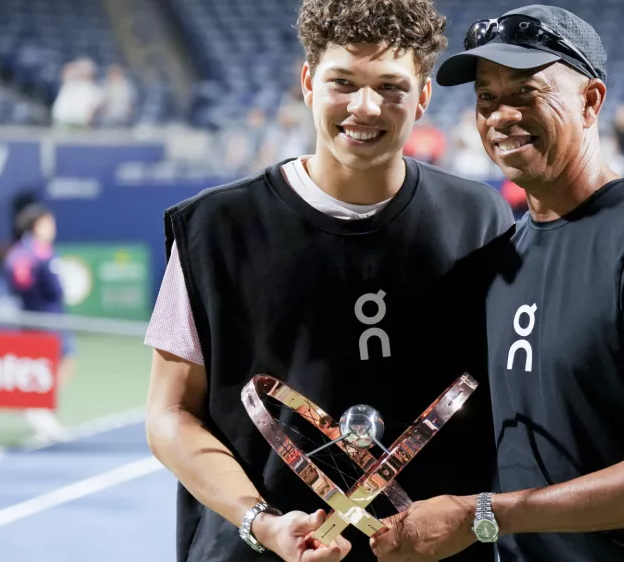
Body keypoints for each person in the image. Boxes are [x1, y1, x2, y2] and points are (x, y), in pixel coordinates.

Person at [369, 5, 624, 562]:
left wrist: (483, 515)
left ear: (591, 102)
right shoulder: (505, 257)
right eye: (486, 99)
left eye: (525, 94)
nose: (500, 116)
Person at [143, 1, 514, 561]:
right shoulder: (213, 230)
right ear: (309, 83)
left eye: (390, 86)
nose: (365, 108)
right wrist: (262, 521)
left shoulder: (482, 220)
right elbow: (169, 415)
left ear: (424, 97)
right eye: (344, 82)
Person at [4, 203, 74, 440]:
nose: (52, 227)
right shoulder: (43, 253)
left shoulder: (16, 253)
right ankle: (40, 408)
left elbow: (14, 286)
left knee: (39, 365)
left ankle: (38, 409)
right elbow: (56, 289)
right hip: (50, 319)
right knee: (63, 362)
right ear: (37, 226)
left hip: (27, 317)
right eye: (48, 223)